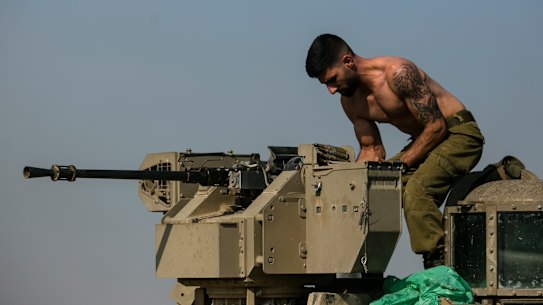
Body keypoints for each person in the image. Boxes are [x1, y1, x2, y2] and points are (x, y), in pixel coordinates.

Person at [305, 34, 484, 268]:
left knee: (416, 192)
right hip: (425, 141)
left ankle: (439, 266)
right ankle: (361, 270)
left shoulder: (398, 74)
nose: (330, 90)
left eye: (332, 79)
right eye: (325, 84)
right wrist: (347, 186)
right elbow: (371, 150)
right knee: (378, 191)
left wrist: (401, 165)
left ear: (348, 61)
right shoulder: (350, 102)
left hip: (457, 133)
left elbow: (436, 127)